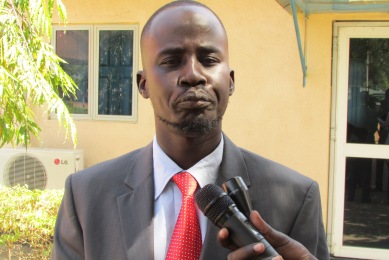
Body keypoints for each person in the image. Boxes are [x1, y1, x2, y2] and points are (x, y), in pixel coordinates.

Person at [51, 1, 329, 259]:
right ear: (143, 84)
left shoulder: (297, 198)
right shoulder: (86, 197)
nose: (193, 75)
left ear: (230, 82)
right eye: (171, 61)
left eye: (209, 60)